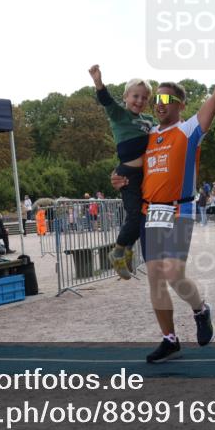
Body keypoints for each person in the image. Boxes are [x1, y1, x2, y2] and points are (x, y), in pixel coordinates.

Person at [111, 40, 215, 363]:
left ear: (181, 104)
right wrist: (117, 176)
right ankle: (169, 339)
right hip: (149, 213)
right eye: (157, 99)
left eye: (167, 98)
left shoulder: (189, 129)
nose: (159, 104)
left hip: (180, 209)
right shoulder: (148, 135)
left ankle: (201, 309)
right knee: (154, 277)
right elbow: (130, 164)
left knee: (173, 273)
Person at [89, 64, 156, 279]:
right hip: (127, 175)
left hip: (146, 176)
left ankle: (128, 249)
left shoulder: (150, 121)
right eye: (135, 96)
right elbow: (107, 101)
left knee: (143, 215)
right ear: (126, 97)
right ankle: (117, 252)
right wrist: (98, 82)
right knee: (135, 215)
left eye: (144, 98)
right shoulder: (120, 115)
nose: (139, 101)